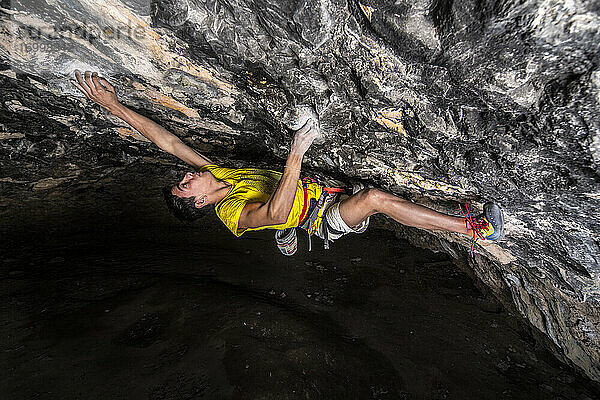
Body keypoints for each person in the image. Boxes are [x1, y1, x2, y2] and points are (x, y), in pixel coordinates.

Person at [70, 70, 504, 255]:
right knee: (373, 199)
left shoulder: (217, 174)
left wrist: (113, 104)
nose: (187, 175)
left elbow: (166, 140)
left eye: (182, 179)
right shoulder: (231, 215)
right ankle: (474, 229)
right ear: (199, 203)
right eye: (185, 185)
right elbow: (276, 211)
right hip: (323, 216)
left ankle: (287, 241)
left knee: (289, 221)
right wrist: (297, 149)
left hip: (314, 192)